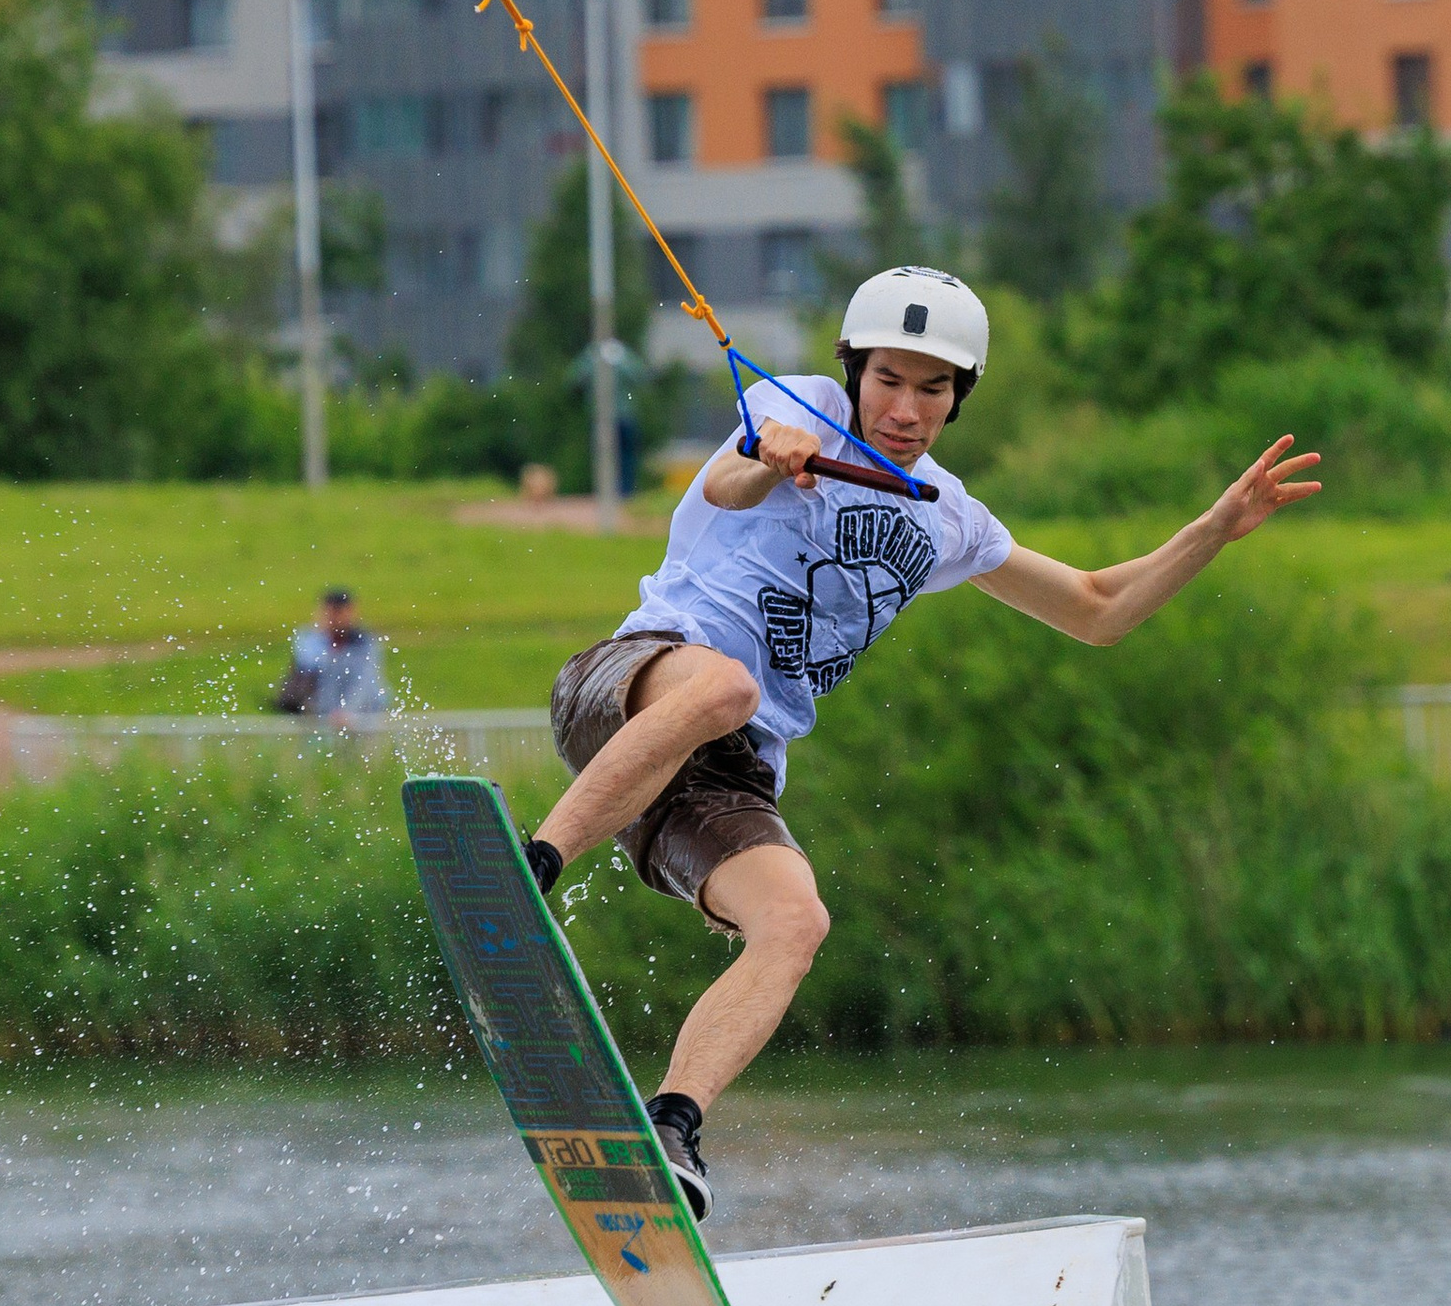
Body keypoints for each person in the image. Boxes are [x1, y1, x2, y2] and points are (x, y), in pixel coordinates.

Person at [522, 264, 1319, 1220]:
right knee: (729, 685)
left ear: (958, 398)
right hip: (638, 680)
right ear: (856, 370)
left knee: (797, 922)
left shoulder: (946, 516)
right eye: (890, 379)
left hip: (723, 771)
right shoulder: (801, 405)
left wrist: (1216, 529)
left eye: (932, 388)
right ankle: (528, 867)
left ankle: (670, 1131)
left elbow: (1098, 609)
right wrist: (774, 451)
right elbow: (733, 482)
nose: (906, 407)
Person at [273, 587, 390, 726]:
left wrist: (347, 712)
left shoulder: (364, 642)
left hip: (364, 716)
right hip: (325, 716)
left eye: (338, 613)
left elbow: (364, 681)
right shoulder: (312, 639)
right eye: (329, 613)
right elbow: (308, 670)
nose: (334, 618)